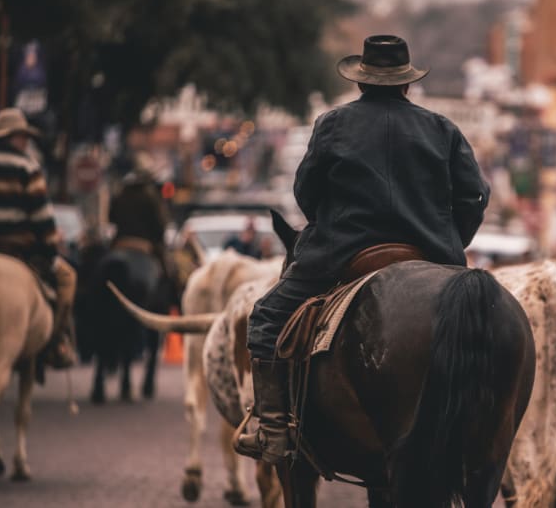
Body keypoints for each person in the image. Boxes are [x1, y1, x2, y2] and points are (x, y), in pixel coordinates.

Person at [236, 35, 490, 464]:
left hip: (342, 253)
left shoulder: (333, 124)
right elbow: (474, 197)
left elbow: (306, 192)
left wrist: (332, 223)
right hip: (431, 255)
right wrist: (448, 244)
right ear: (407, 84)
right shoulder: (442, 128)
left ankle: (274, 428)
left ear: (361, 83)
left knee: (267, 316)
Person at [0, 108, 76, 368]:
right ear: (14, 137)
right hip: (17, 252)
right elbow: (42, 218)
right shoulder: (27, 167)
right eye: (23, 137)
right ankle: (56, 345)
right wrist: (50, 251)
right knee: (68, 279)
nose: (26, 142)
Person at [108, 157, 173, 289]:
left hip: (121, 242)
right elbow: (160, 225)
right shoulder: (151, 196)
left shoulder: (120, 193)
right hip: (144, 245)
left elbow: (111, 219)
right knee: (170, 277)